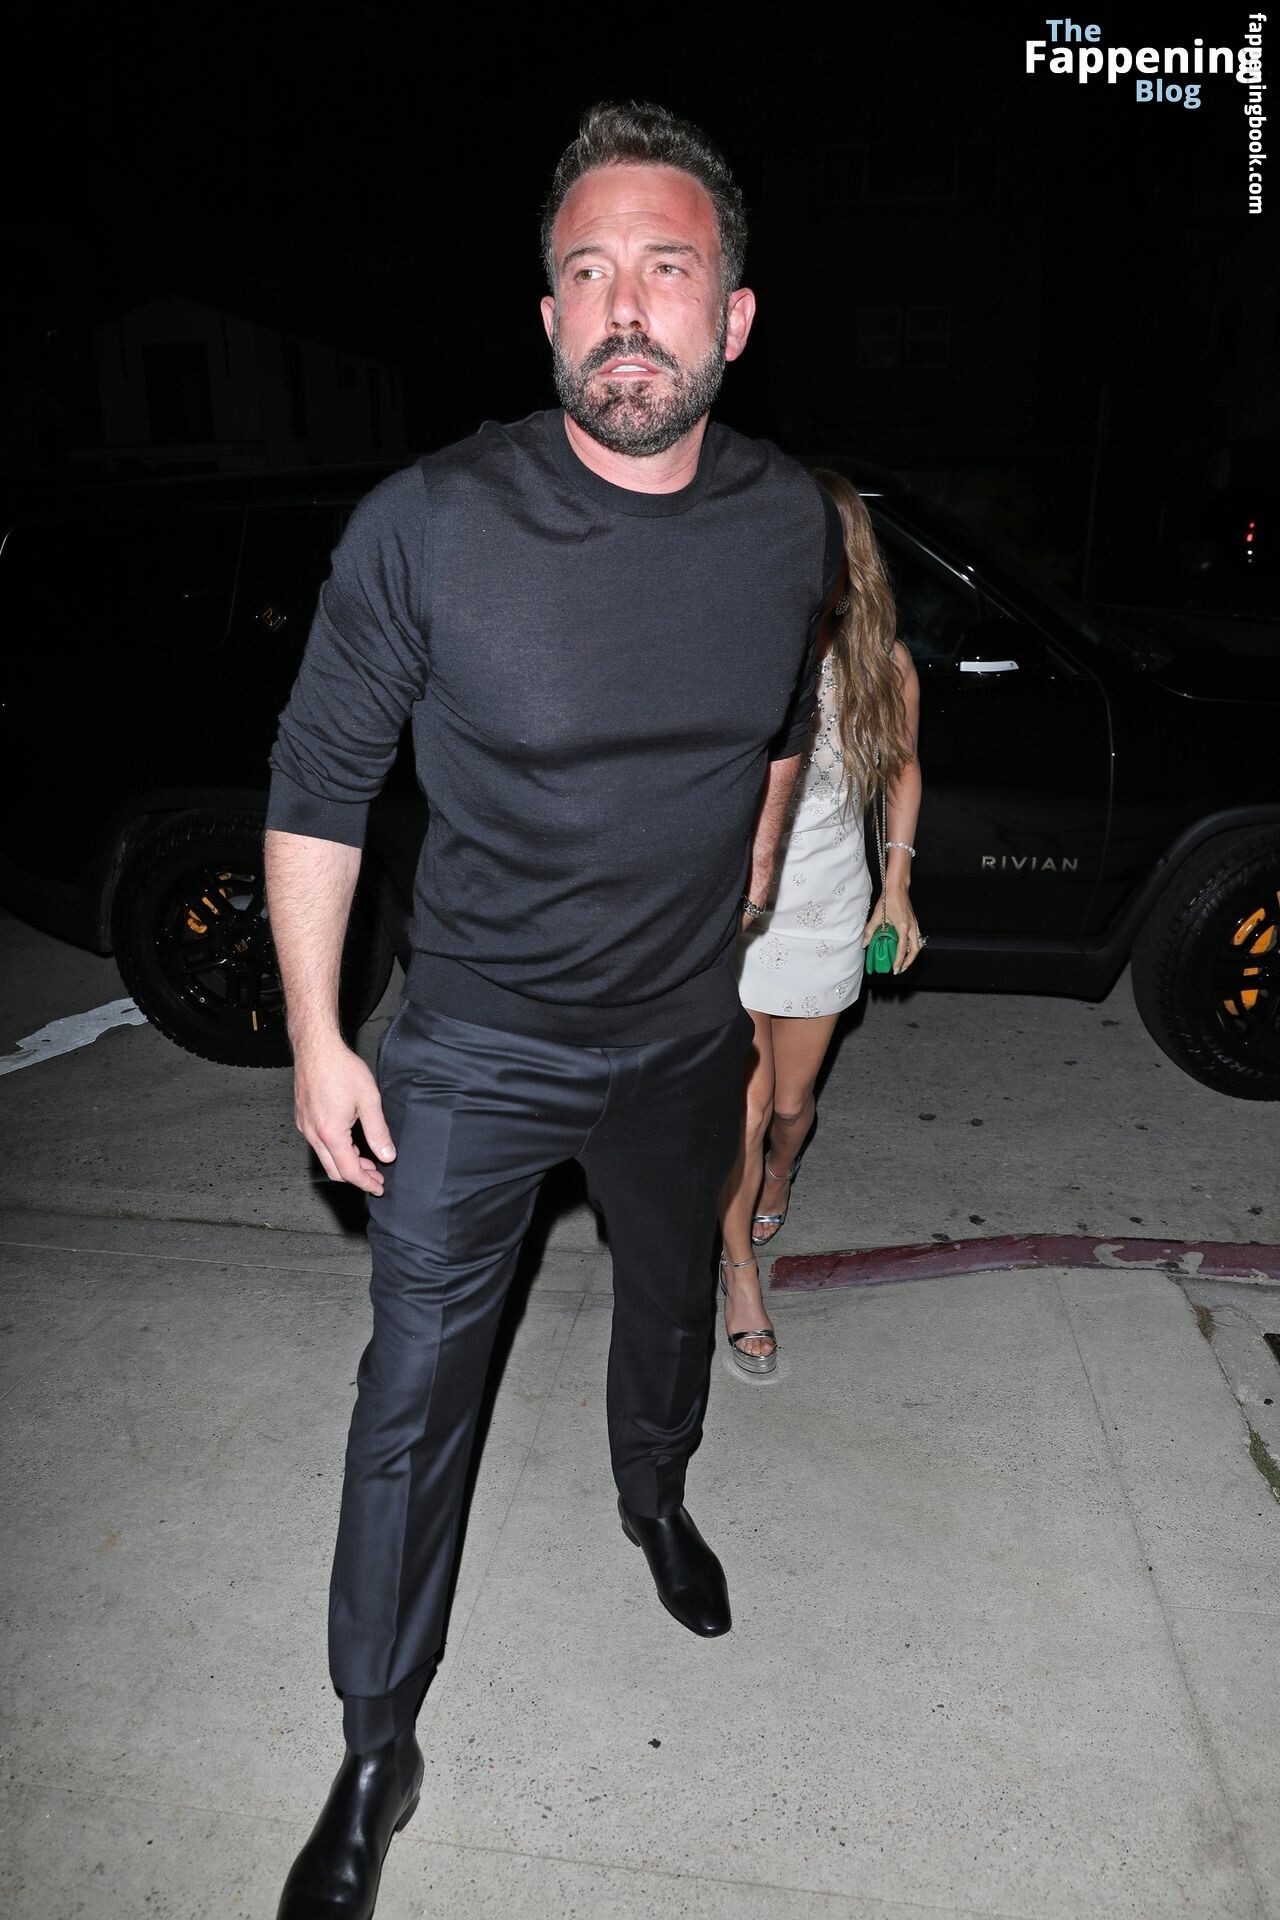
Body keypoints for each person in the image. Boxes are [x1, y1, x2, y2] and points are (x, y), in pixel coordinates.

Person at [265, 102, 842, 1919]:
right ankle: (376, 1744)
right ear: (547, 316)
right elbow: (319, 785)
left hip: (683, 1036)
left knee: (667, 1310)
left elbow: (779, 724)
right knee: (412, 1395)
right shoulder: (432, 525)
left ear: (732, 318)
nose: (625, 307)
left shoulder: (791, 524)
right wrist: (317, 1037)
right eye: (588, 273)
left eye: (667, 270)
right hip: (476, 1045)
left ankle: (653, 1496)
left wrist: (752, 876)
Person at [718, 470, 923, 1374]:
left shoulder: (882, 665)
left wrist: (897, 885)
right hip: (732, 918)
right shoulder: (739, 642)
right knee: (743, 1108)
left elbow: (903, 770)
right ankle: (738, 1270)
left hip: (829, 910)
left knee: (790, 1109)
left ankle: (784, 1170)